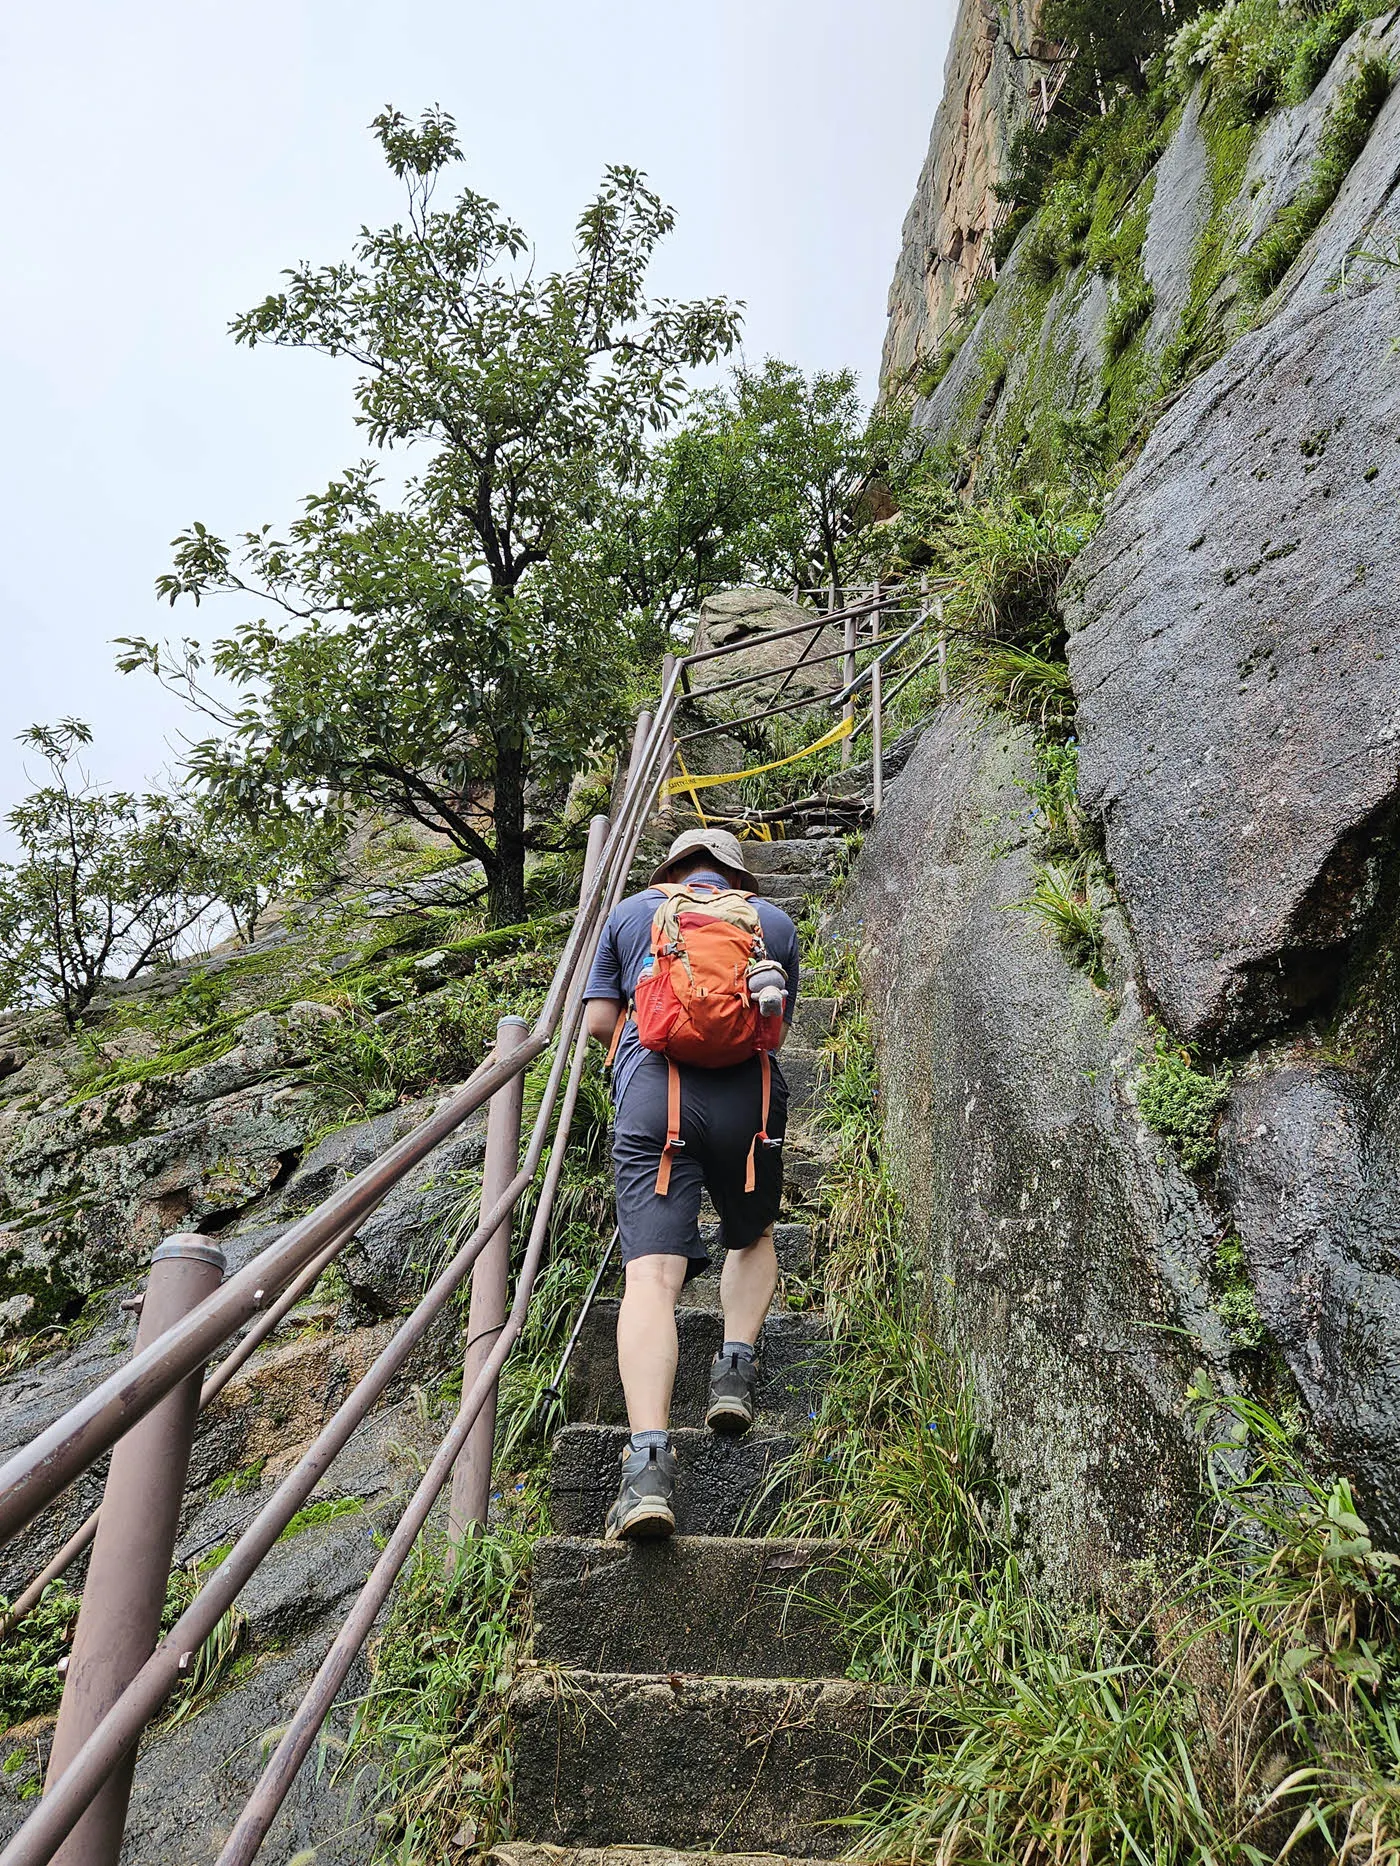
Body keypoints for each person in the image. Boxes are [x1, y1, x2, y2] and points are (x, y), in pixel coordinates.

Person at [584, 826, 801, 1541]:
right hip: (748, 1101)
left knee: (649, 1279)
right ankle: (734, 1369)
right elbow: (773, 1028)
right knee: (754, 1232)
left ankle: (647, 1468)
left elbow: (599, 1022)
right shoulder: (773, 924)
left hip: (654, 1097)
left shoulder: (628, 912)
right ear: (736, 878)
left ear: (672, 868)